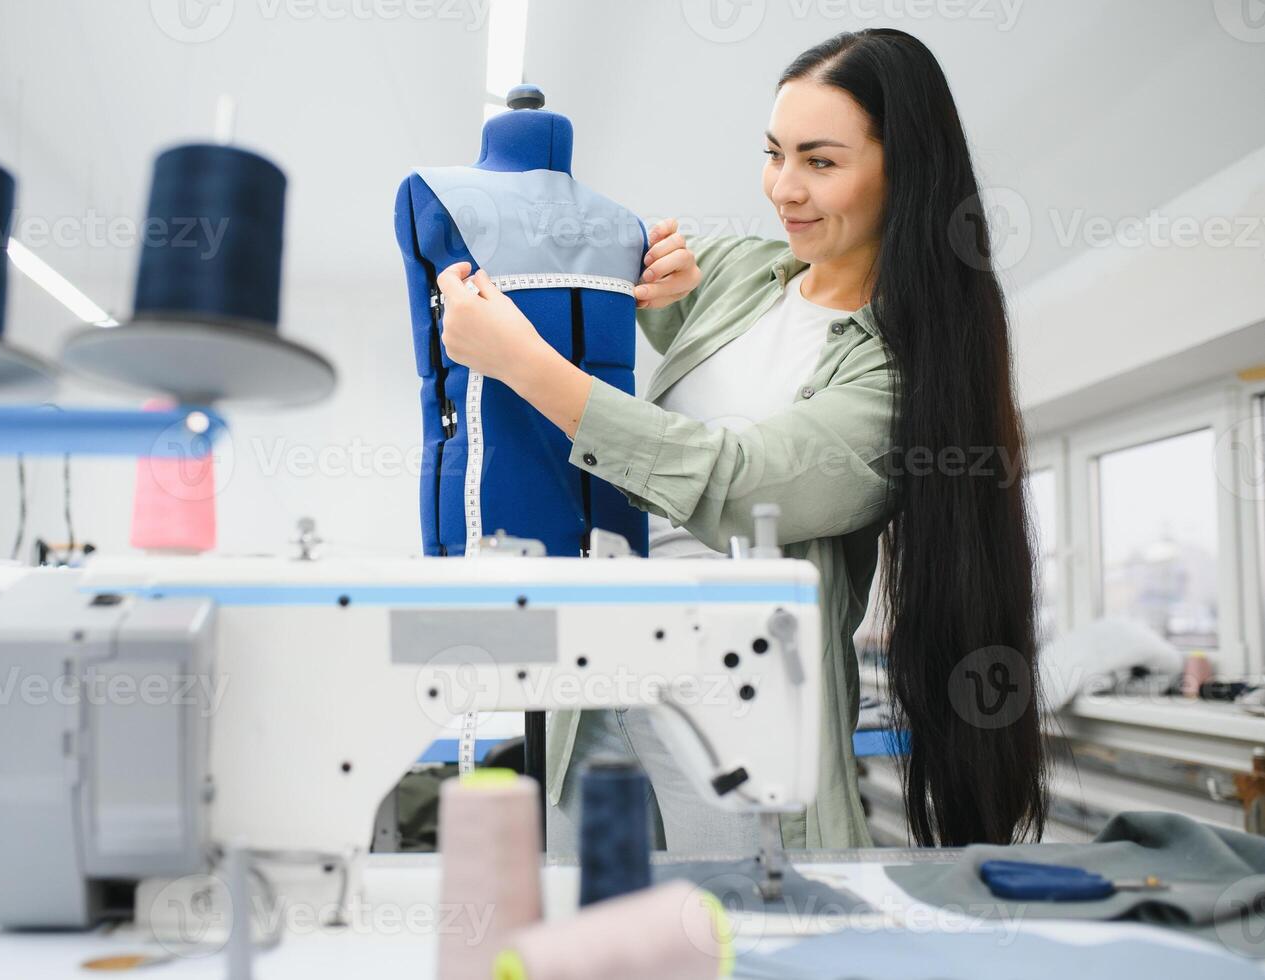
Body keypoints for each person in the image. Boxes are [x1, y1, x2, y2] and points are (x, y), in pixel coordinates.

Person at [435, 28, 1047, 851]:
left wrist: (519, 363)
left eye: (820, 162)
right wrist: (638, 281)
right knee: (595, 937)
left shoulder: (900, 378)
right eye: (773, 153)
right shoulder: (742, 272)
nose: (783, 189)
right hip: (603, 672)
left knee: (739, 946)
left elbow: (737, 483)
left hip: (743, 711)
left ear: (903, 172)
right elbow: (648, 298)